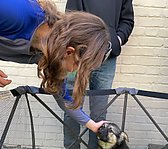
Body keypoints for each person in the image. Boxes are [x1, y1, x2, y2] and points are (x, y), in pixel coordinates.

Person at [0, 0, 112, 133]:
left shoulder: (49, 53)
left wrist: (92, 125)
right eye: (77, 66)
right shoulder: (18, 13)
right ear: (70, 51)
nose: (73, 71)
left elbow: (63, 97)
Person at [64, 0, 134, 149]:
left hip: (108, 58)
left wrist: (116, 42)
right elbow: (70, 17)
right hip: (79, 56)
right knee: (72, 105)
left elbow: (127, 20)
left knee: (99, 111)